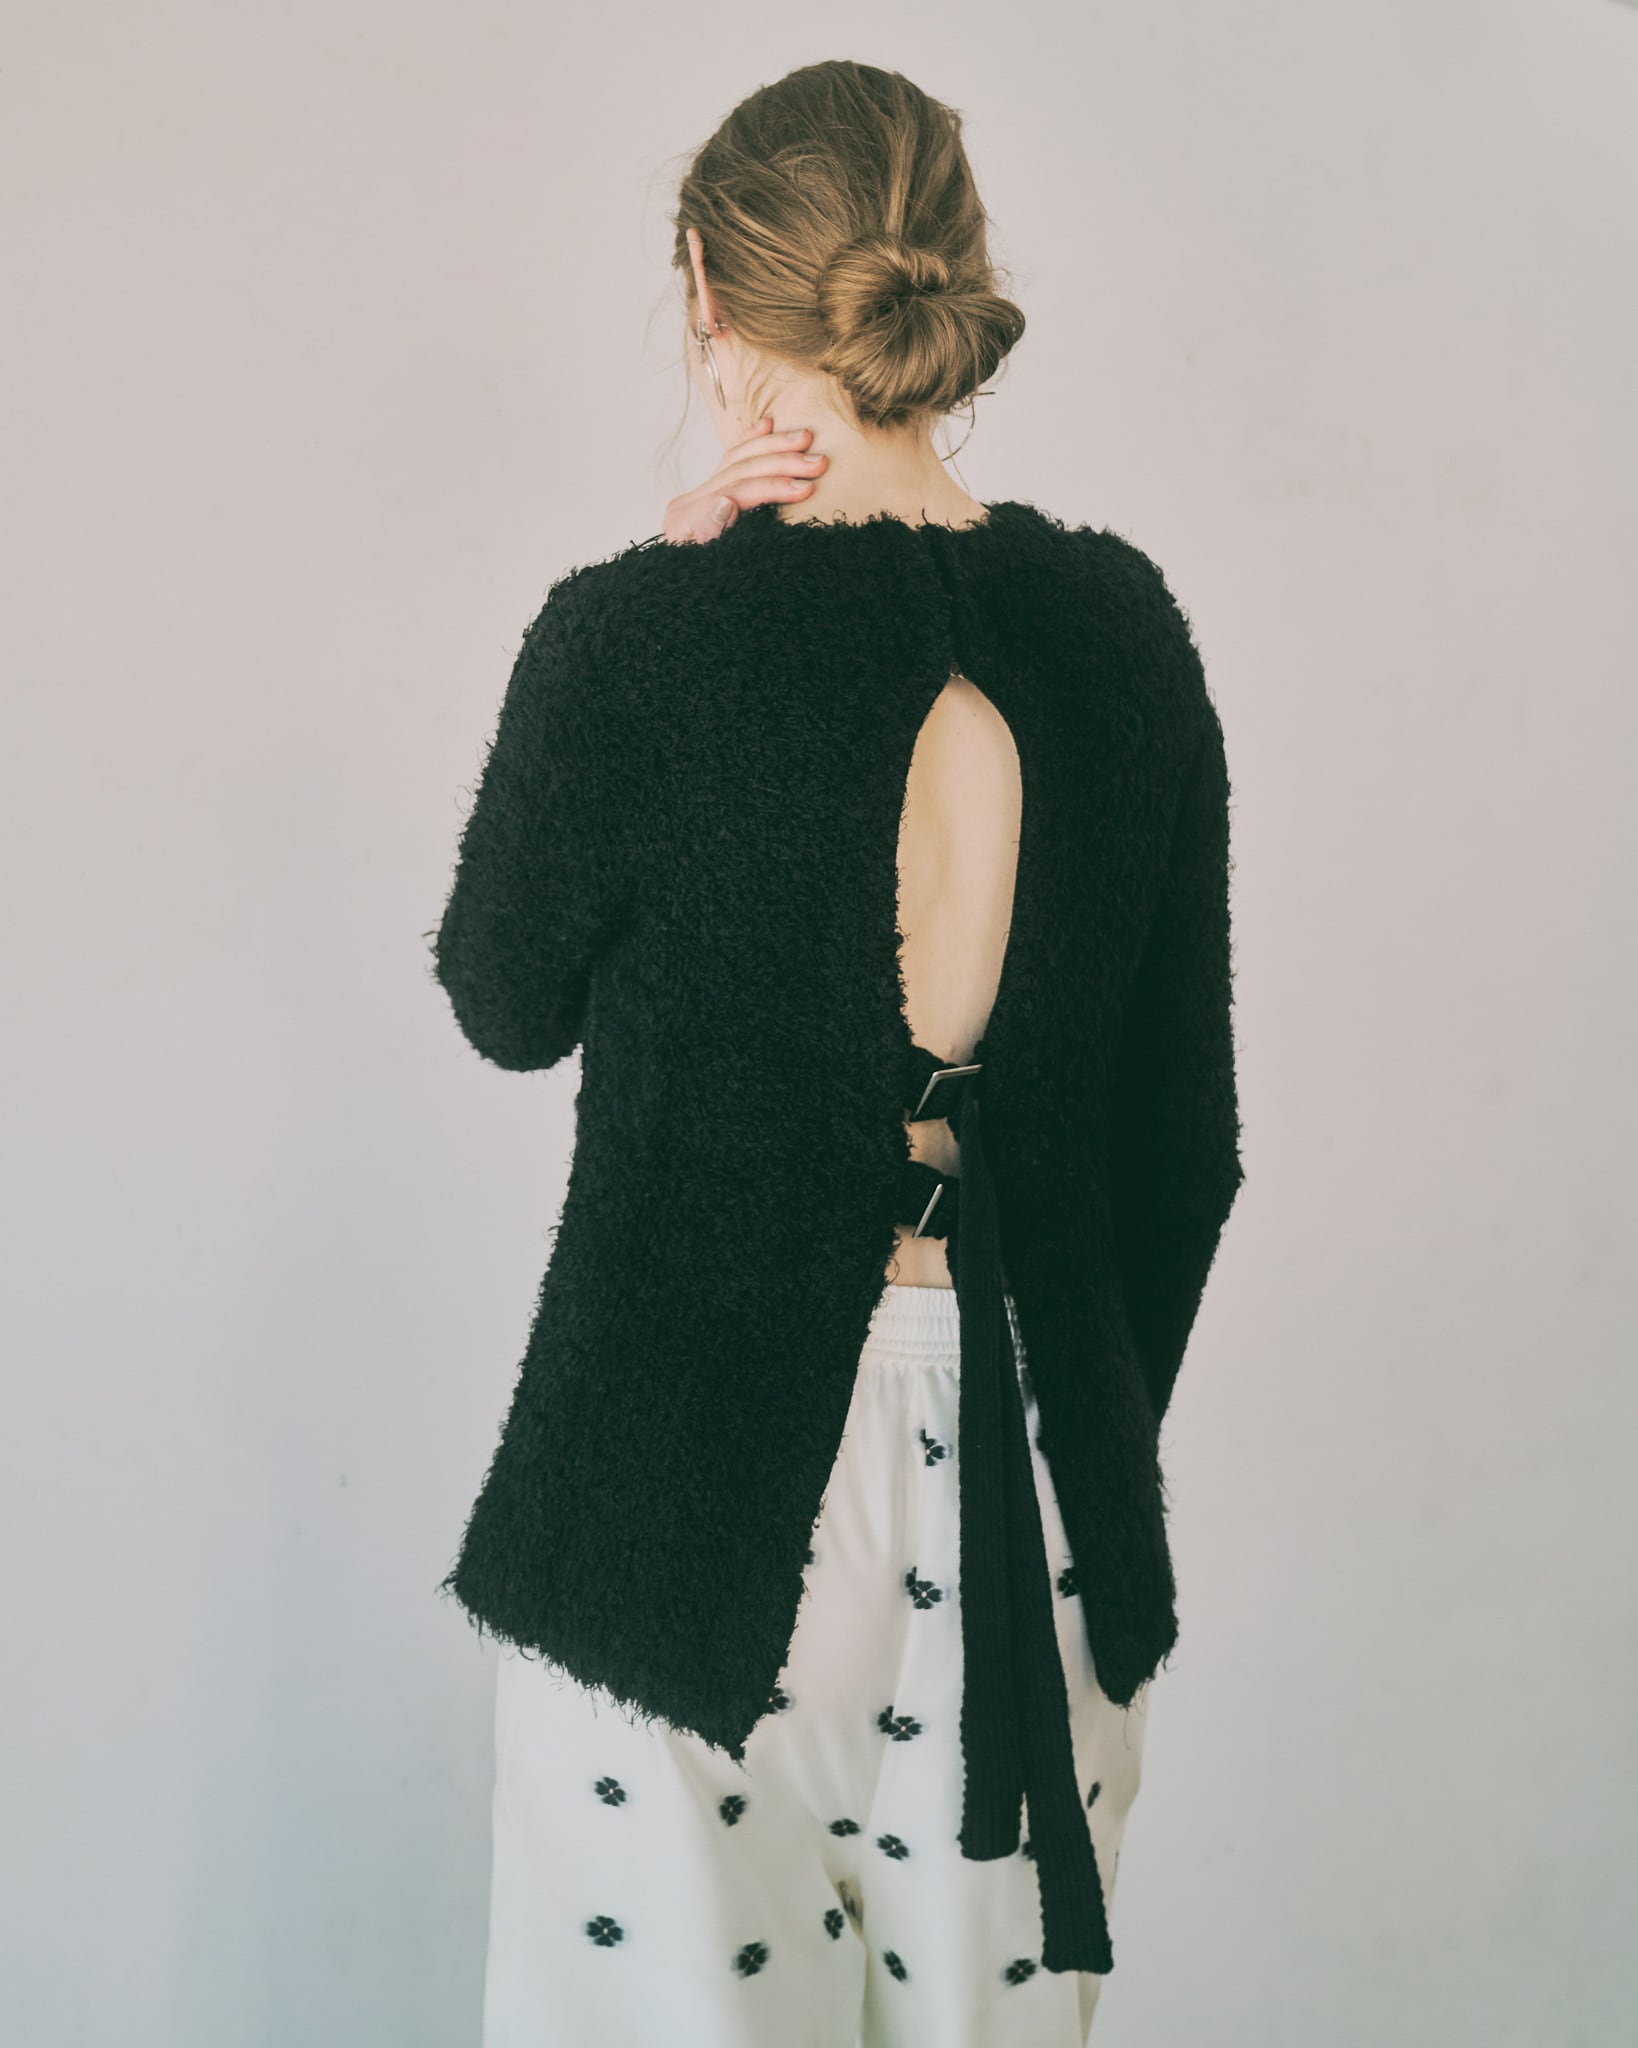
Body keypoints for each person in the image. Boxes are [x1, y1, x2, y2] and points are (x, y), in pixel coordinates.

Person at [429, 59, 1245, 2048]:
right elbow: (1185, 1151)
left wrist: (668, 586)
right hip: (1035, 1499)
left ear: (708, 296)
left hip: (674, 1502)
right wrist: (1069, 1426)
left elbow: (502, 995)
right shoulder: (1125, 635)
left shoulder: (635, 643)